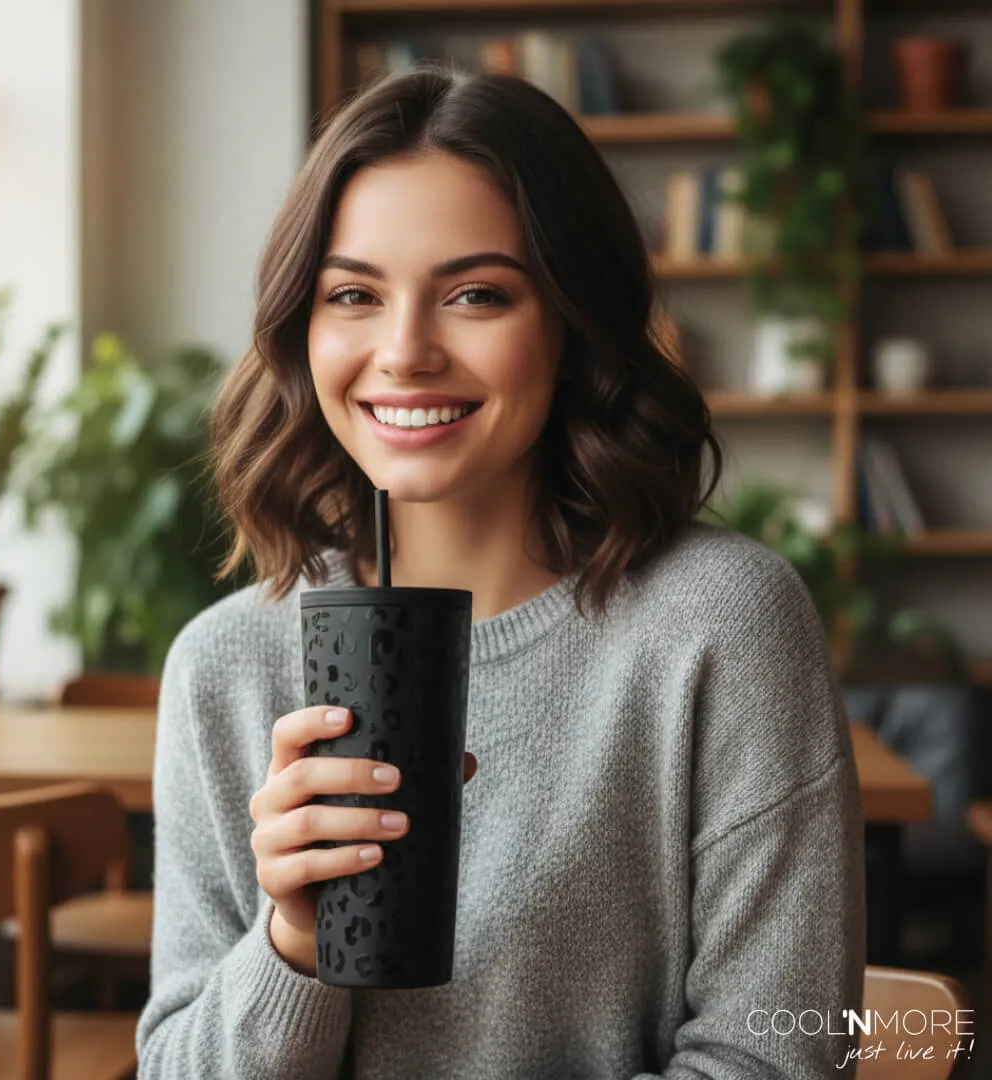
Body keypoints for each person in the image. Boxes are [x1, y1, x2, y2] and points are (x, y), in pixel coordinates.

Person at [136, 63, 865, 1079]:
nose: (404, 352)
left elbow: (778, 1061)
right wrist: (292, 950)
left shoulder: (724, 626)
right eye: (354, 294)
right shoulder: (227, 665)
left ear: (571, 324)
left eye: (477, 294)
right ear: (305, 329)